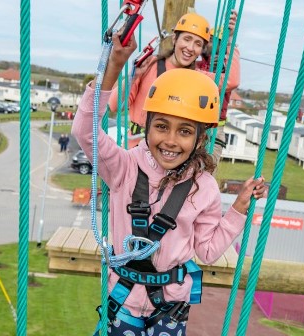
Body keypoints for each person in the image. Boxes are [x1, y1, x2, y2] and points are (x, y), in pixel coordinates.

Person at [72, 31, 265, 336]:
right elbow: (85, 130)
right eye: (161, 126)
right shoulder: (123, 167)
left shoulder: (205, 187)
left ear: (200, 138)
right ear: (146, 126)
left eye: (185, 131)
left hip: (170, 306)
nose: (171, 141)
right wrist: (114, 67)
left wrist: (239, 209)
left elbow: (209, 251)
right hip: (124, 301)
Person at [108, 11, 240, 149]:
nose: (190, 48)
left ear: (201, 50)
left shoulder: (198, 78)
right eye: (187, 39)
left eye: (198, 44)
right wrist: (134, 75)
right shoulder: (149, 65)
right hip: (135, 147)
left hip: (167, 153)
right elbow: (114, 105)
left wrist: (230, 41)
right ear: (174, 39)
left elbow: (232, 80)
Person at [197, 23, 240, 168]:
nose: (206, 43)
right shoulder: (197, 65)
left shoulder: (223, 69)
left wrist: (231, 44)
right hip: (194, 125)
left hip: (214, 130)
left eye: (211, 41)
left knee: (205, 175)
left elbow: (232, 80)